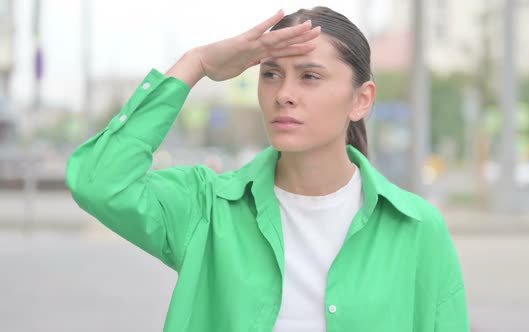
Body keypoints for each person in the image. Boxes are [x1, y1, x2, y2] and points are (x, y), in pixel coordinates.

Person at [66, 7, 469, 332]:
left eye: (309, 76)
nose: (284, 95)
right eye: (271, 75)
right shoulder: (206, 208)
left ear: (361, 100)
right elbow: (99, 182)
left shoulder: (418, 228)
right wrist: (197, 63)